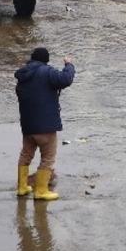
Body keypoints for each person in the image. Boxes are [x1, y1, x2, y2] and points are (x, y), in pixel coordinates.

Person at [15, 47, 76, 201]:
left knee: (26, 155)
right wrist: (69, 65)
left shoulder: (23, 75)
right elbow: (65, 79)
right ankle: (41, 191)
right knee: (48, 158)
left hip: (28, 126)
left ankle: (22, 187)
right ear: (45, 60)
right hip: (46, 126)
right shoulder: (46, 72)